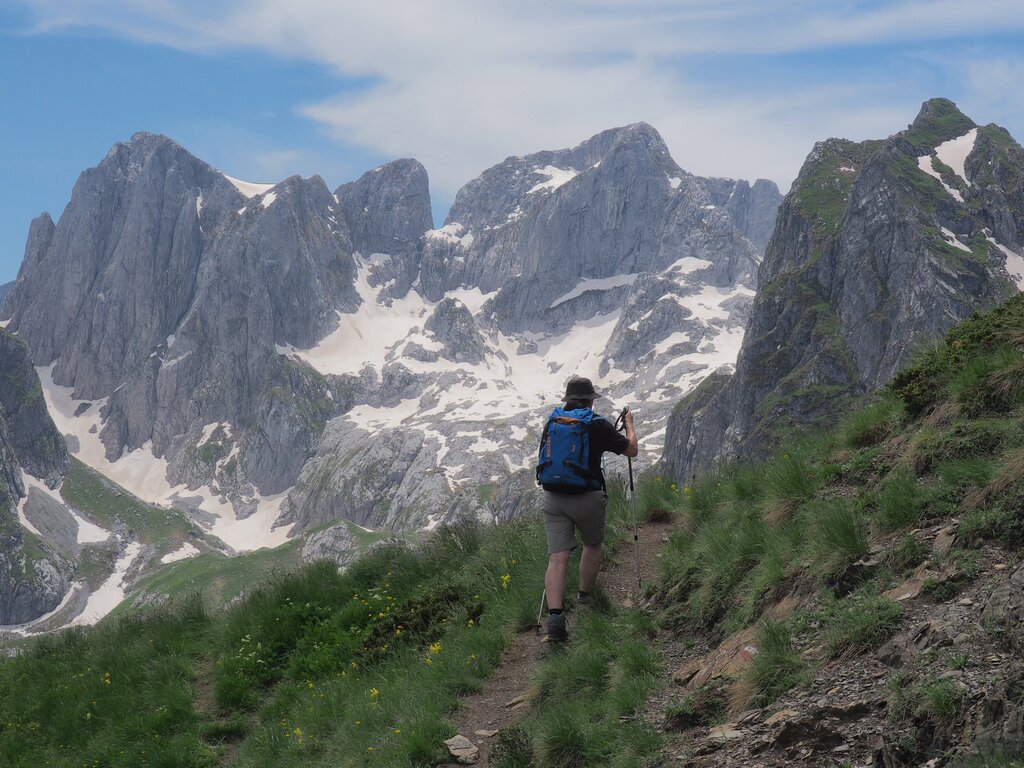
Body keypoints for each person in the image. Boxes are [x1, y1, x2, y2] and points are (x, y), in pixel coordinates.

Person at [539, 376, 637, 642]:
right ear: (590, 401)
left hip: (553, 497)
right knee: (592, 544)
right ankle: (584, 598)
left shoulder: (553, 422)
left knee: (557, 559)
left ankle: (555, 620)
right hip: (587, 496)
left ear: (568, 400)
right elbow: (631, 450)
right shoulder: (596, 424)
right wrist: (629, 425)